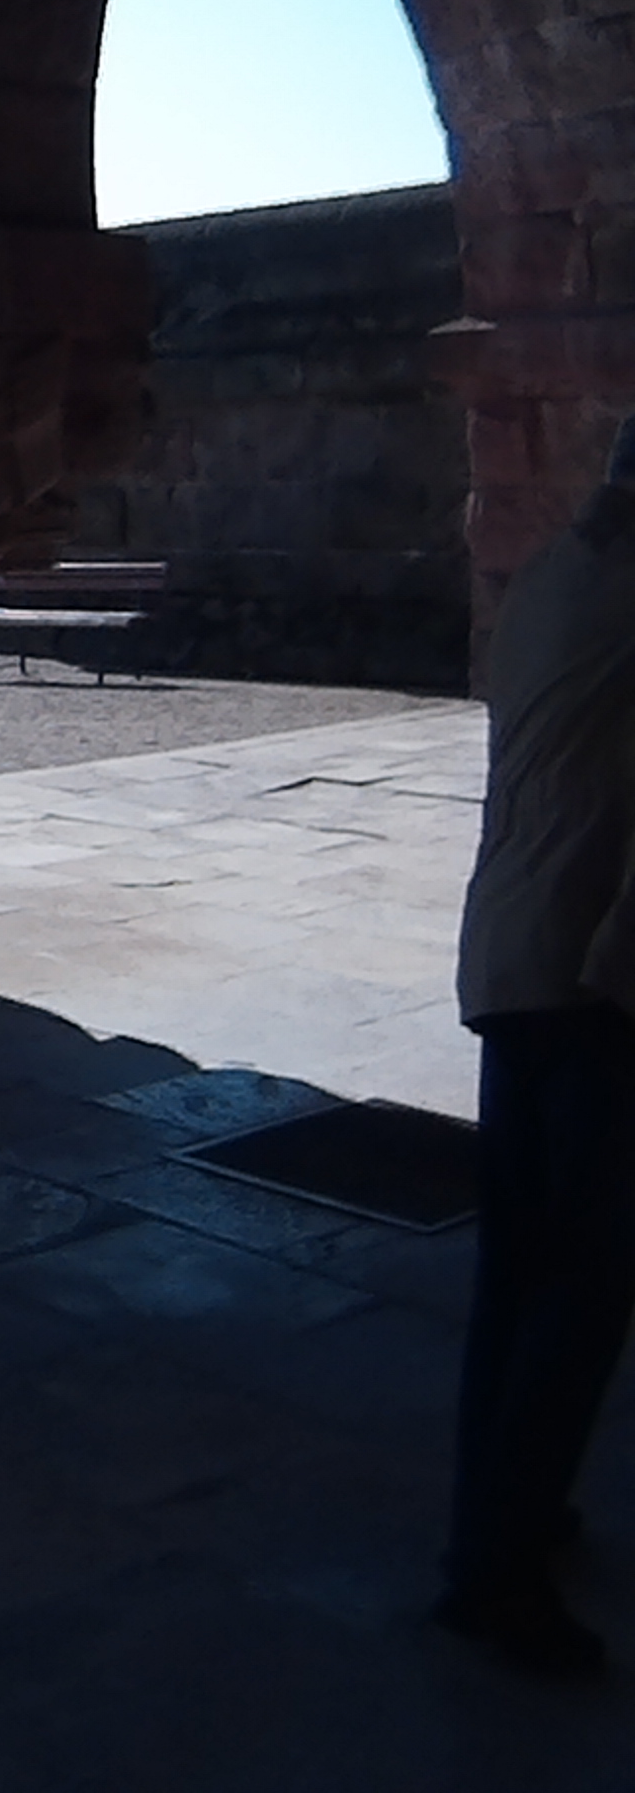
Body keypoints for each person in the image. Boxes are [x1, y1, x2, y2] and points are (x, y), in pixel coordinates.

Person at [441, 414, 635, 1676]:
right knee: (586, 1279)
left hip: (511, 946)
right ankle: (497, 1572)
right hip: (586, 971)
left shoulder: (560, 567)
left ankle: (506, 1511)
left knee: (520, 1267)